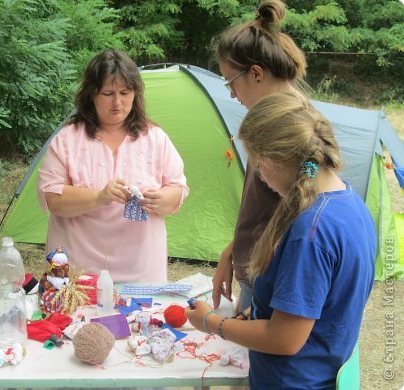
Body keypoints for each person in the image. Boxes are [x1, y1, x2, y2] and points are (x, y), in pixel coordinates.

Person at [186, 91, 376, 389]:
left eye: (258, 164)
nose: (260, 176)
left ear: (275, 159)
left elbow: (285, 339)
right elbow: (321, 302)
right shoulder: (350, 204)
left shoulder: (311, 232)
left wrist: (213, 323)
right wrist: (259, 311)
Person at [37, 49, 189, 283]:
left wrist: (160, 199)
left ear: (135, 94)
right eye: (108, 93)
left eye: (124, 93)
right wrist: (99, 197)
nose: (117, 102)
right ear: (91, 94)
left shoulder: (155, 138)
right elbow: (52, 198)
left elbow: (177, 190)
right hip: (79, 272)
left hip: (142, 270)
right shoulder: (67, 139)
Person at [211, 0, 309, 314]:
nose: (231, 94)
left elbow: (299, 215)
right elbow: (265, 206)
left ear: (255, 73)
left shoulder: (288, 128)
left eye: (230, 81)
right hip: (256, 270)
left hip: (271, 278)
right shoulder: (269, 119)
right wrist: (233, 251)